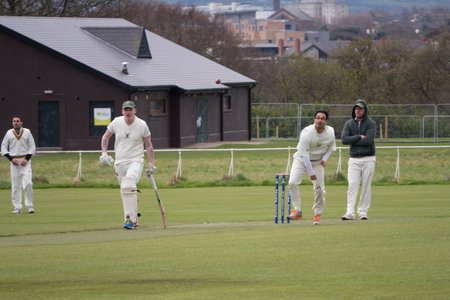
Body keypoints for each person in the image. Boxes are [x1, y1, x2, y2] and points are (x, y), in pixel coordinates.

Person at [100, 100, 155, 229]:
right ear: (122, 111)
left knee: (128, 182)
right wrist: (104, 153)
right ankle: (133, 218)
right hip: (120, 161)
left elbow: (148, 145)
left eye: (131, 109)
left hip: (136, 159)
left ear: (135, 111)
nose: (128, 112)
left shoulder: (142, 124)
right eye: (126, 110)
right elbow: (105, 137)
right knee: (126, 190)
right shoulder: (116, 122)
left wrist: (151, 164)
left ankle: (129, 220)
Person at [287, 110, 336, 225]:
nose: (319, 120)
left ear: (326, 121)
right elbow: (304, 154)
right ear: (314, 120)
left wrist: (325, 159)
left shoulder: (330, 132)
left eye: (322, 118)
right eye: (317, 118)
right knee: (292, 183)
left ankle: (317, 215)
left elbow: (331, 147)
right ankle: (297, 210)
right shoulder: (307, 132)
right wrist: (310, 172)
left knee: (319, 188)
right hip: (301, 159)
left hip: (318, 161)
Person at [341, 99, 376, 221]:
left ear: (364, 110)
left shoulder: (371, 124)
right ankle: (350, 212)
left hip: (369, 158)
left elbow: (368, 140)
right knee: (352, 185)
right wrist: (358, 137)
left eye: (360, 109)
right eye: (356, 108)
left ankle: (362, 212)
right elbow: (344, 140)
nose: (358, 111)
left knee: (366, 185)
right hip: (354, 159)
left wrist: (354, 140)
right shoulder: (349, 124)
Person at [1, 116, 36, 214]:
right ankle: (17, 207)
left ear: (21, 123)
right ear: (12, 123)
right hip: (14, 162)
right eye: (14, 121)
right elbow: (3, 148)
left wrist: (26, 159)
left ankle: (29, 205)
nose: (15, 123)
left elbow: (32, 147)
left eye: (17, 121)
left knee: (28, 183)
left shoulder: (27, 132)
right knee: (16, 185)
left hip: (25, 161)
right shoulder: (9, 133)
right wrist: (11, 160)